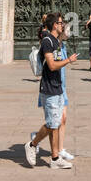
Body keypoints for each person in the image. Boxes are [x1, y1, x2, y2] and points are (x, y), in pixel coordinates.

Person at [25, 13, 77, 169]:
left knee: (57, 122)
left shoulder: (56, 41)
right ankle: (32, 144)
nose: (63, 25)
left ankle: (55, 159)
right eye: (61, 23)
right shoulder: (48, 42)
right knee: (52, 124)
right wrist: (69, 60)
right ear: (55, 25)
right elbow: (52, 65)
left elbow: (66, 36)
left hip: (58, 86)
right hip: (49, 87)